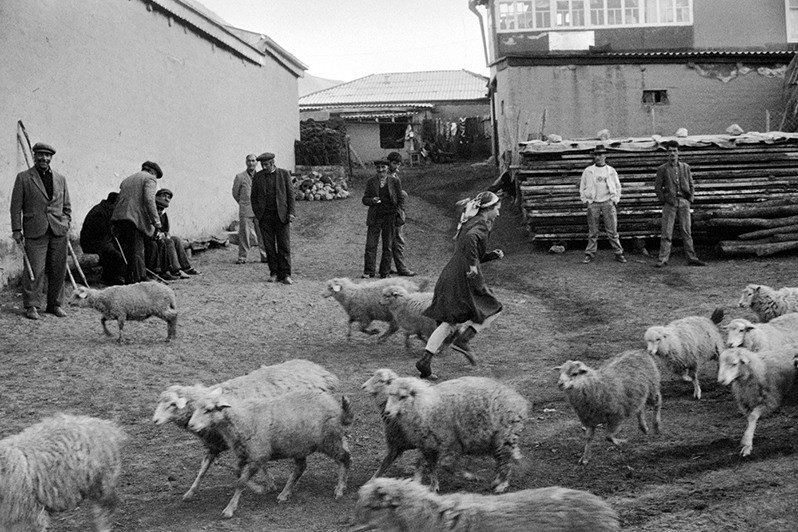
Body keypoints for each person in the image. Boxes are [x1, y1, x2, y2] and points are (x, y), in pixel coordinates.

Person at [416, 191, 504, 380]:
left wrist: (489, 256)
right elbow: (471, 241)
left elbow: (467, 248)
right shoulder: (478, 225)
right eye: (496, 209)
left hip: (451, 275)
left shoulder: (470, 221)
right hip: (464, 277)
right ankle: (463, 340)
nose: (498, 213)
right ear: (487, 209)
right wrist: (473, 266)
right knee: (494, 308)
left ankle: (425, 360)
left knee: (449, 321)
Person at [10, 142, 71, 319]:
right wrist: (16, 229)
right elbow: (15, 207)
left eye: (47, 155)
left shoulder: (61, 179)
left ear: (51, 158)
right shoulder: (23, 178)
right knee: (34, 269)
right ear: (34, 155)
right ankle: (31, 306)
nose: (44, 158)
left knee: (58, 269)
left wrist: (66, 222)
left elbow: (66, 205)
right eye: (40, 155)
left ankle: (55, 304)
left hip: (59, 230)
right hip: (35, 229)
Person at [654, 142, 706, 267]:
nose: (672, 153)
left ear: (678, 152)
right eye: (670, 151)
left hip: (684, 202)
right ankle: (663, 259)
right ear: (667, 153)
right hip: (670, 203)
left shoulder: (685, 167)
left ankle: (691, 258)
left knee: (686, 231)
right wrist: (664, 200)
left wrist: (690, 200)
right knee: (667, 232)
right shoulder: (662, 169)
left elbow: (691, 184)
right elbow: (657, 188)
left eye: (675, 151)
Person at [111, 161, 164, 284]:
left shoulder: (127, 180)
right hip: (134, 219)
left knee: (126, 251)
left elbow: (119, 200)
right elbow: (149, 200)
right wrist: (157, 222)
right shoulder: (150, 179)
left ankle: (127, 279)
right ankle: (138, 281)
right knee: (136, 251)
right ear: (153, 172)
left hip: (119, 219)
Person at [251, 152, 296, 284]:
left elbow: (290, 195)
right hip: (265, 217)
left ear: (272, 163)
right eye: (262, 165)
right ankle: (274, 272)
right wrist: (258, 213)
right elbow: (253, 197)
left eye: (266, 165)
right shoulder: (258, 177)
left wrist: (291, 213)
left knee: (284, 246)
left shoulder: (283, 174)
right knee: (269, 246)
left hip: (282, 216)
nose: (264, 167)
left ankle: (286, 274)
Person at [579, 145, 626, 264]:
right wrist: (585, 200)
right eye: (596, 154)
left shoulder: (610, 171)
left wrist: (615, 199)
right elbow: (582, 186)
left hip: (607, 203)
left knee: (612, 231)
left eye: (600, 154)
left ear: (605, 155)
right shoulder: (589, 171)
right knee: (593, 231)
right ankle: (590, 253)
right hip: (593, 203)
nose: (598, 157)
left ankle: (618, 253)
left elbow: (617, 186)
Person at [362, 160, 404, 279]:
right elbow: (365, 199)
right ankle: (369, 271)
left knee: (388, 245)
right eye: (378, 168)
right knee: (371, 244)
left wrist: (399, 212)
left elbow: (400, 198)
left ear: (387, 168)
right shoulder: (371, 182)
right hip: (375, 216)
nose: (380, 170)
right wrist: (372, 201)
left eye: (383, 167)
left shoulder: (395, 181)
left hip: (389, 216)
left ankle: (384, 272)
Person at [148, 189, 200, 280]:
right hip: (151, 236)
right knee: (169, 242)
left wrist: (165, 234)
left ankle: (186, 267)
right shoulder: (151, 210)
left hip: (160, 235)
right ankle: (176, 270)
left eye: (169, 197)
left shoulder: (163, 213)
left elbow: (166, 229)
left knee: (176, 239)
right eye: (164, 196)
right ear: (157, 197)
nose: (167, 199)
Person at [80, 191, 126, 285]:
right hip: (91, 243)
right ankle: (110, 279)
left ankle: (113, 276)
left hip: (99, 241)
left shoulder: (105, 209)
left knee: (121, 249)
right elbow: (99, 234)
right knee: (114, 254)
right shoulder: (100, 212)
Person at [232, 153, 268, 264]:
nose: (251, 163)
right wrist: (243, 203)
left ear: (257, 163)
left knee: (262, 234)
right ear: (246, 162)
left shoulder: (261, 176)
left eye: (253, 161)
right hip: (246, 209)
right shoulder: (240, 177)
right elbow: (235, 193)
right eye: (249, 161)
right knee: (244, 234)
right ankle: (243, 257)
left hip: (259, 210)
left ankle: (265, 256)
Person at [386, 151, 416, 277]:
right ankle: (401, 268)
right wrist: (401, 194)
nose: (396, 166)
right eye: (394, 163)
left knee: (392, 239)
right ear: (388, 163)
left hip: (397, 209)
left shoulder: (394, 175)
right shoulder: (387, 177)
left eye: (398, 164)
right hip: (393, 211)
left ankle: (388, 266)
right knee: (397, 240)